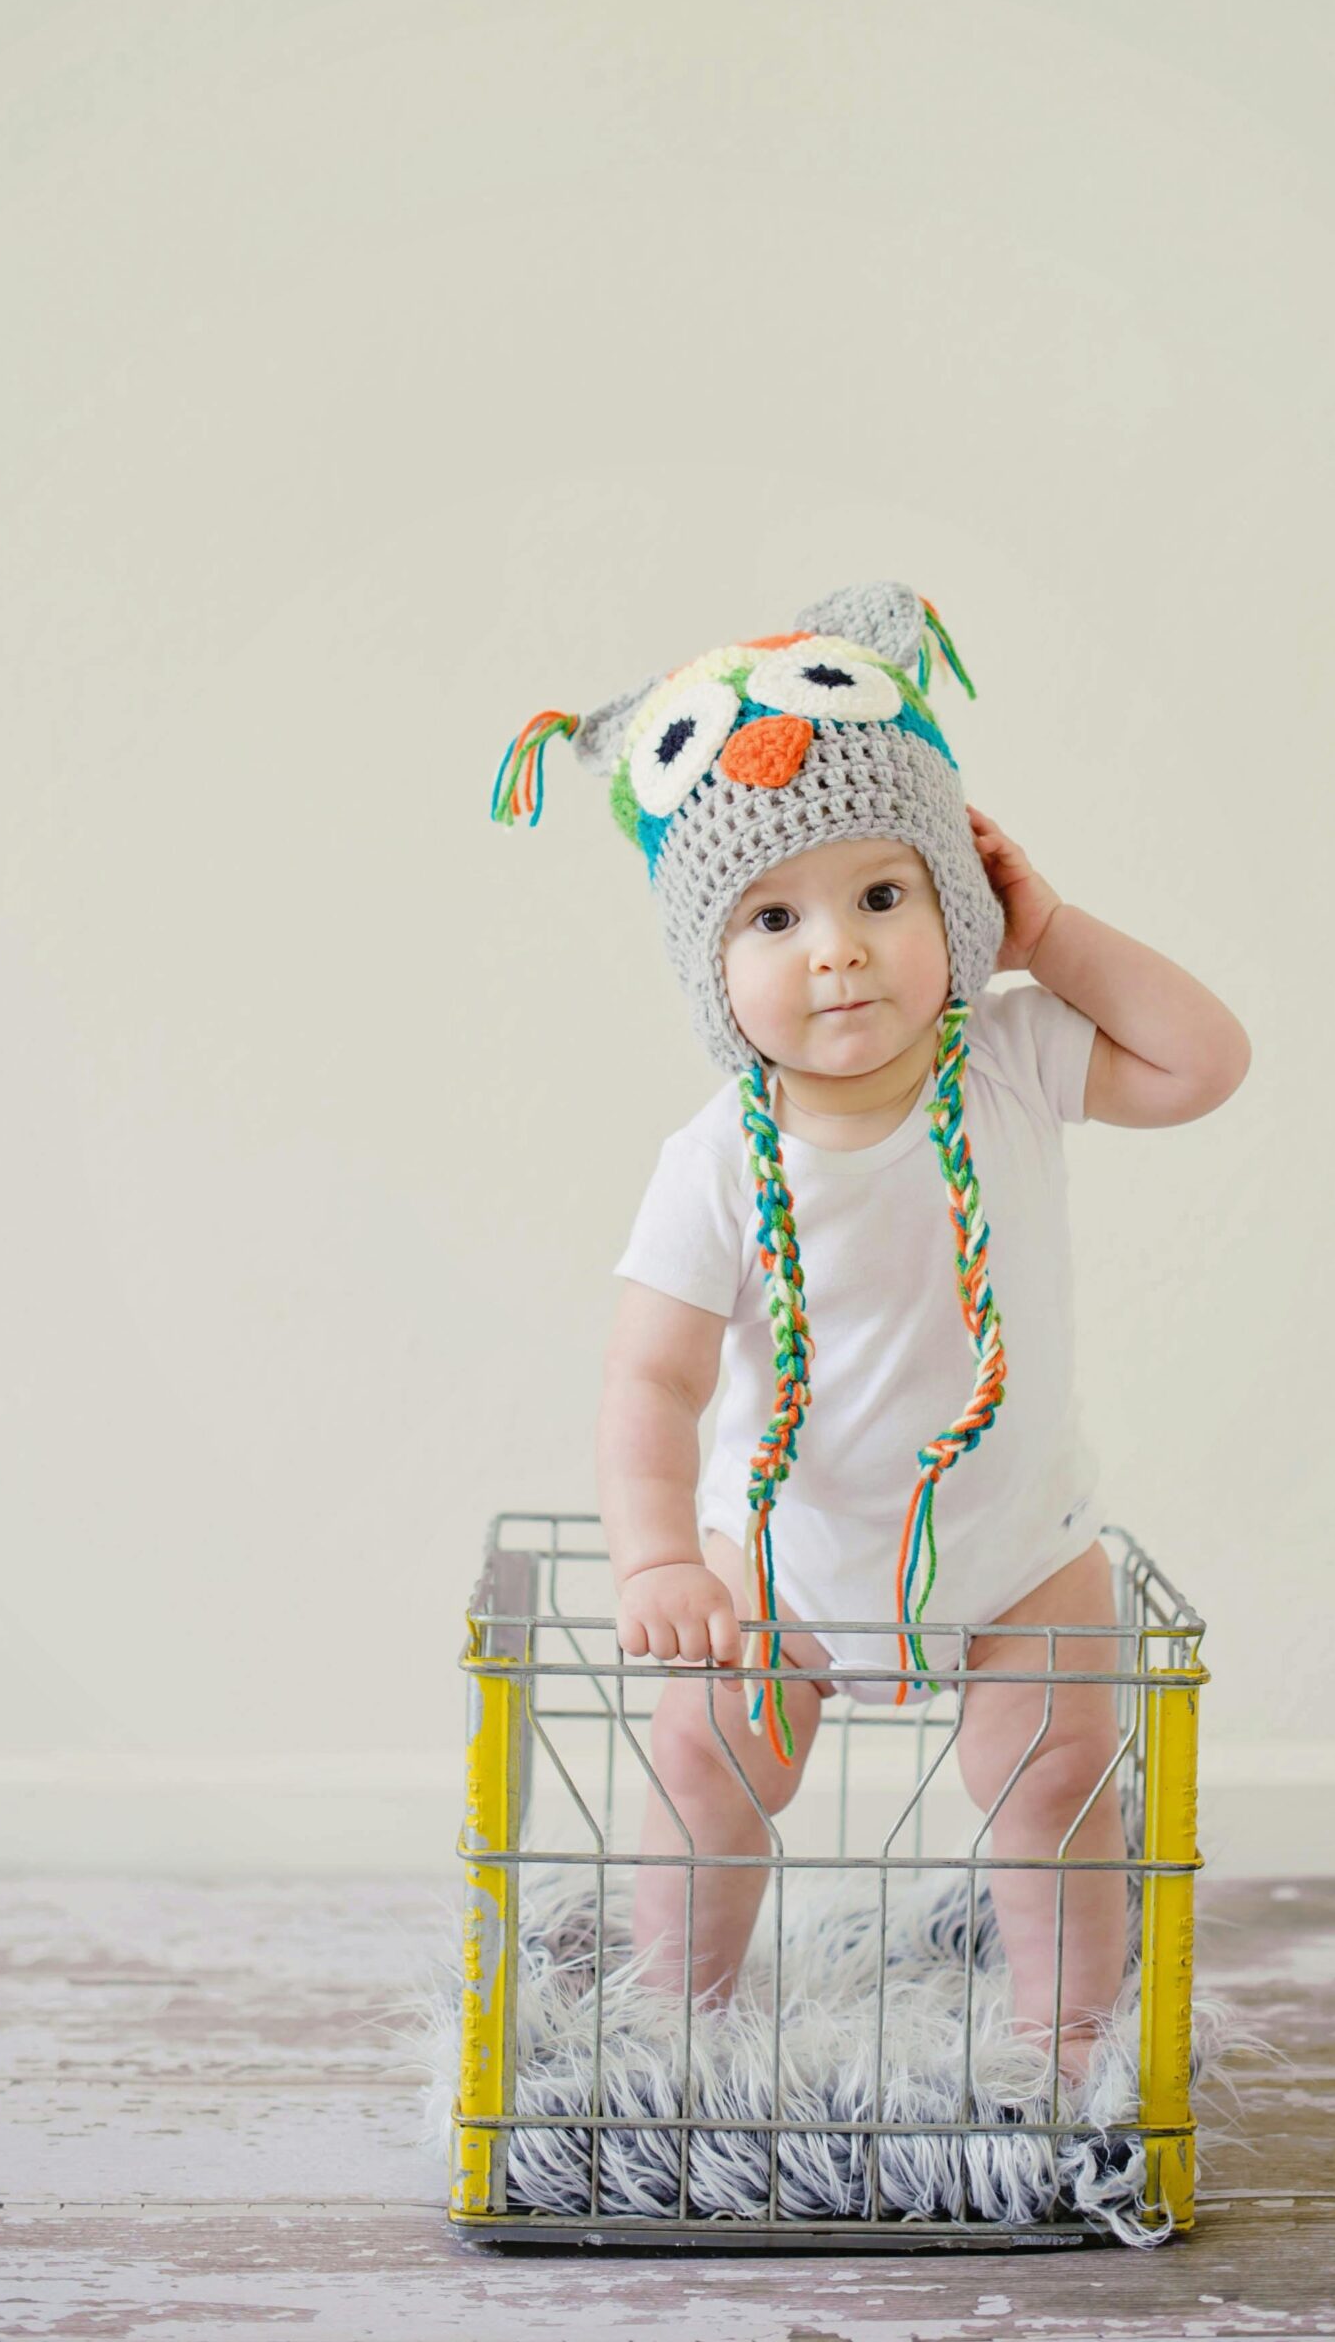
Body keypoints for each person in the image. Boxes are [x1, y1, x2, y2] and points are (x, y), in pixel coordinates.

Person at [490, 579, 1250, 2087]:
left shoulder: (1015, 1059)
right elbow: (654, 1375)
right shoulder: (717, 1156)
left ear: (956, 905)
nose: (836, 950)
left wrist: (1053, 932)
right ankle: (674, 2025)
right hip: (775, 1557)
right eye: (774, 918)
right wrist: (657, 1560)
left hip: (1022, 1543)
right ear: (712, 967)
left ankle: (1060, 2053)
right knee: (708, 1767)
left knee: (1048, 1786)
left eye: (882, 897)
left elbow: (1202, 1061)